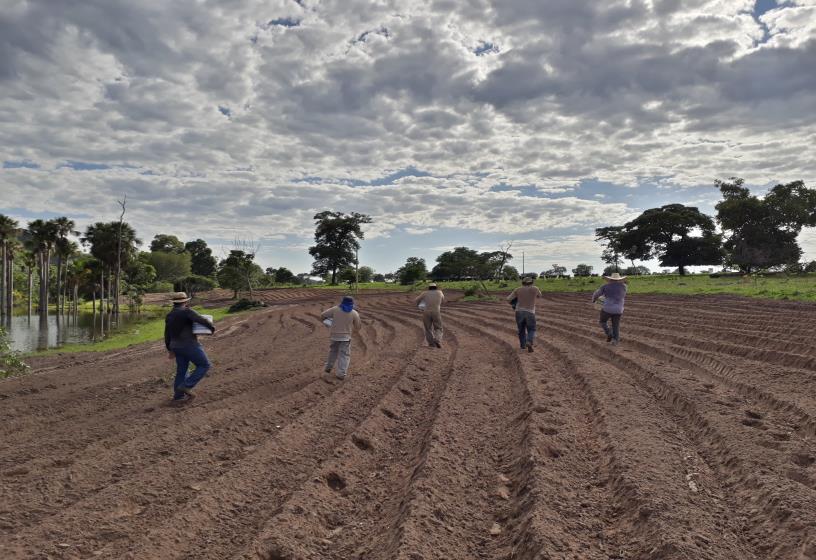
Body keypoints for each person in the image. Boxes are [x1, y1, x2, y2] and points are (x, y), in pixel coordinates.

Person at [164, 292, 215, 403]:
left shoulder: (170, 315)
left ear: (174, 303)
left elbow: (167, 334)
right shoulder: (187, 312)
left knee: (182, 370)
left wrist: (169, 349)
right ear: (186, 301)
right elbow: (202, 320)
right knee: (204, 364)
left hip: (176, 347)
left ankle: (178, 397)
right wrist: (212, 328)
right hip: (189, 345)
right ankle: (187, 386)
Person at [321, 296, 362, 381]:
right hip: (346, 337)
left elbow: (323, 315)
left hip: (334, 336)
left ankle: (328, 368)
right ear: (352, 303)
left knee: (333, 352)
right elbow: (358, 327)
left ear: (342, 302)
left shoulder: (335, 309)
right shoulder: (354, 313)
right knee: (344, 355)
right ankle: (341, 374)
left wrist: (328, 322)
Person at [507, 276, 542, 352]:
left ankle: (523, 346)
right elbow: (540, 296)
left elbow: (508, 299)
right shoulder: (535, 288)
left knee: (521, 329)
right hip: (530, 312)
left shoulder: (518, 289)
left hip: (519, 312)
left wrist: (514, 303)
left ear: (523, 283)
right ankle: (529, 341)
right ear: (531, 282)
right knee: (531, 329)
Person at [592, 272, 628, 346]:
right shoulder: (624, 287)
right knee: (616, 325)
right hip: (619, 309)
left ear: (610, 279)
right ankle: (615, 341)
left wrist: (594, 300)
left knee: (602, 321)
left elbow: (596, 294)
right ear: (619, 279)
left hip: (607, 308)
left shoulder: (605, 286)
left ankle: (609, 333)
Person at [415, 282, 445, 348]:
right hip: (436, 312)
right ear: (436, 287)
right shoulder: (440, 292)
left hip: (426, 312)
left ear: (429, 287)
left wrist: (419, 306)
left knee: (428, 328)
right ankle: (437, 340)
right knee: (438, 328)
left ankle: (431, 344)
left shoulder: (425, 293)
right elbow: (443, 300)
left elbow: (416, 300)